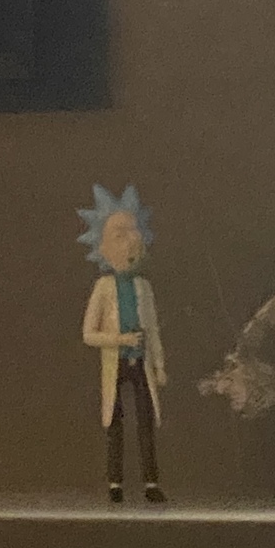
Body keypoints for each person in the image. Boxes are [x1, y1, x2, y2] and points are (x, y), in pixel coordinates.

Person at [78, 184, 168, 505]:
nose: (130, 240)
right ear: (102, 247)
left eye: (133, 232)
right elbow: (88, 333)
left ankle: (151, 482)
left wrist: (158, 365)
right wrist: (120, 340)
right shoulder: (103, 287)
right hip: (115, 363)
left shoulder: (144, 287)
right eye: (119, 234)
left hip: (140, 362)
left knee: (146, 422)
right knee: (114, 423)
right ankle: (115, 482)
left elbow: (153, 330)